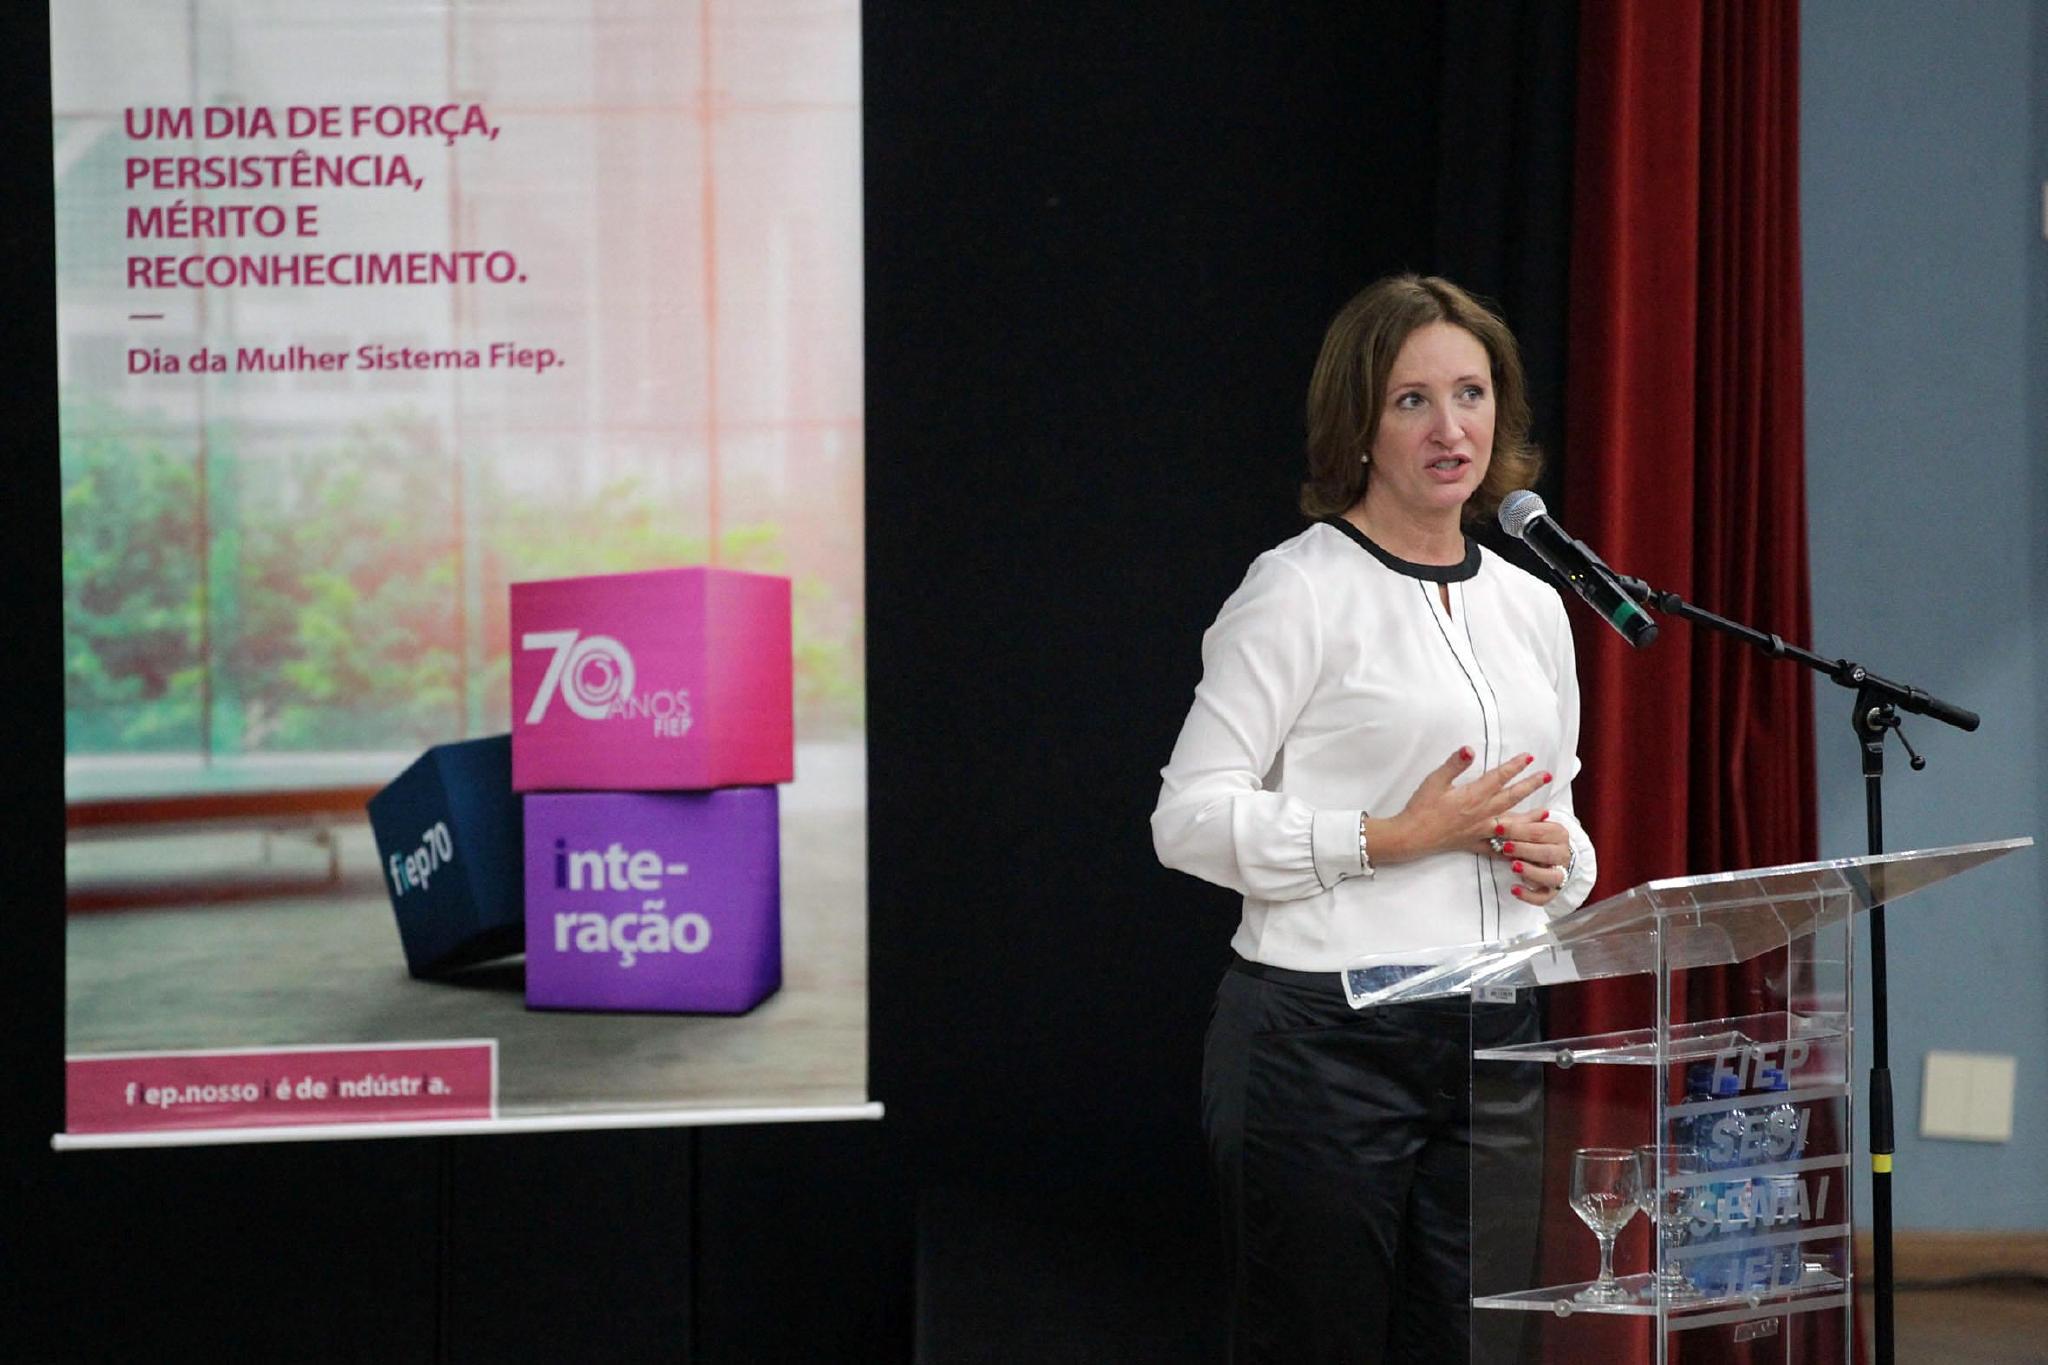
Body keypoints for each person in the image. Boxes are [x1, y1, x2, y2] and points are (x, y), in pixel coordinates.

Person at [1151, 274, 1599, 1363]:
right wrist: (1384, 837)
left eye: (1470, 394)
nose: (1450, 429)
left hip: (1496, 1025)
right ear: (1357, 422)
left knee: (1480, 1346)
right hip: (1326, 1042)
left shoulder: (1532, 605)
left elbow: (1561, 812)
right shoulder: (1297, 589)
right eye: (1411, 400)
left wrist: (1559, 858)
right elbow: (1186, 816)